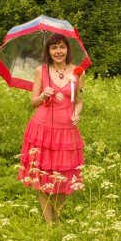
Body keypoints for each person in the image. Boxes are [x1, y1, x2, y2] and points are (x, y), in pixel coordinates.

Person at [18, 33, 85, 224]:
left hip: (66, 130)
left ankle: (57, 215)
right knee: (42, 176)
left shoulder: (78, 72)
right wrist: (42, 97)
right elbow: (33, 102)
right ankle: (50, 224)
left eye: (62, 47)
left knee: (63, 176)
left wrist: (77, 113)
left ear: (68, 49)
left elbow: (79, 101)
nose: (58, 51)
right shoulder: (41, 71)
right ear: (48, 51)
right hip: (42, 129)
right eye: (54, 47)